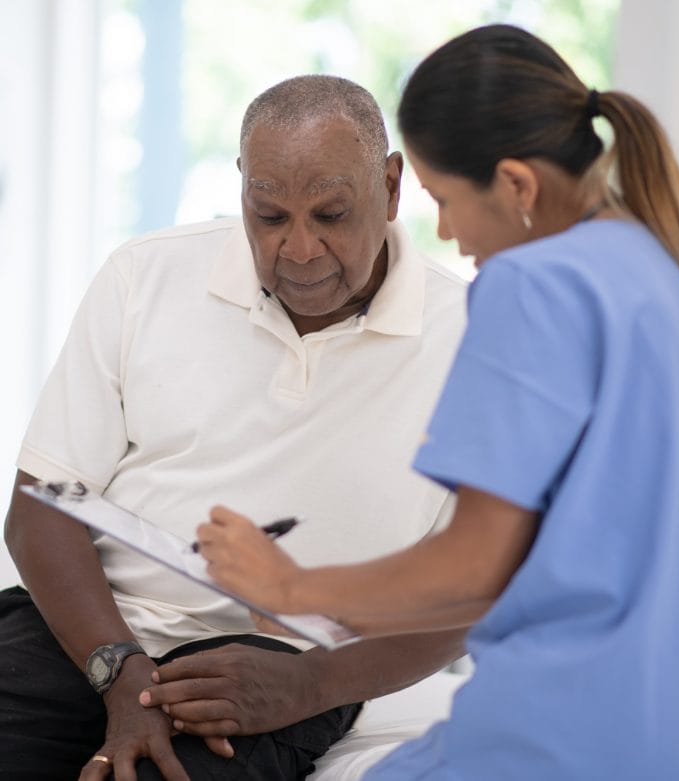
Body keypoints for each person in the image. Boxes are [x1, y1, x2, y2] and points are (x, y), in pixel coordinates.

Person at [196, 24, 679, 780]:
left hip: (593, 741)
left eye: (445, 200)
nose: (444, 232)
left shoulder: (533, 284)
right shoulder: (675, 271)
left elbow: (476, 565)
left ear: (516, 186)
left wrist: (289, 585)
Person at [1, 75, 468, 780]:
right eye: (270, 215)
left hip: (285, 663)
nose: (301, 249)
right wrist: (122, 673)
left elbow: (473, 593)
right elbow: (43, 507)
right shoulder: (144, 276)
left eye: (332, 214)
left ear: (393, 186)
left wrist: (312, 685)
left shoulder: (479, 338)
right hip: (90, 630)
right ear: (243, 189)